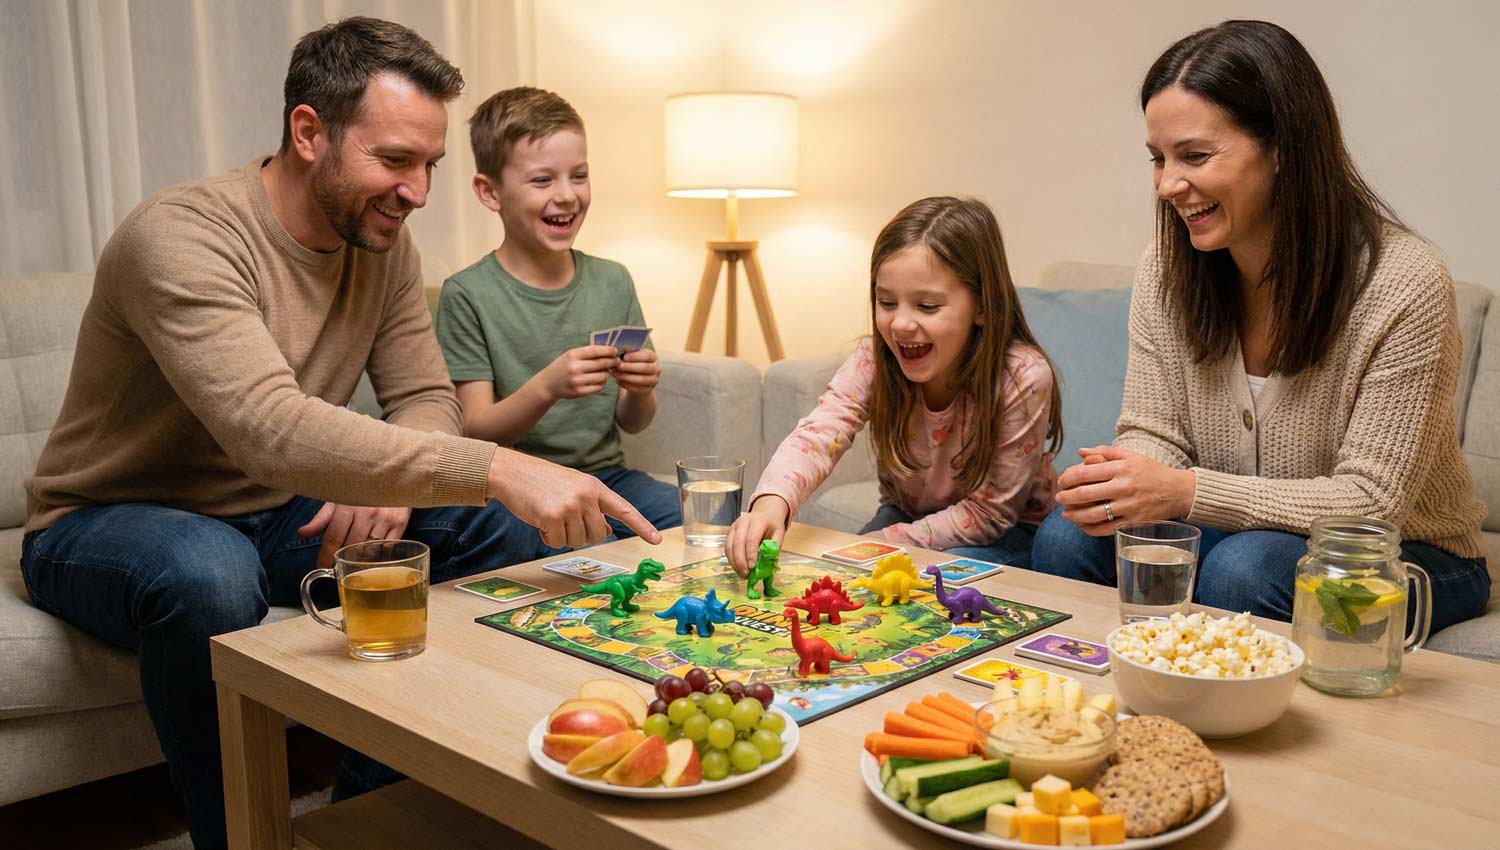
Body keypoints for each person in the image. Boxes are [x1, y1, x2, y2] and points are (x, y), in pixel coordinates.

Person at [19, 19, 658, 850]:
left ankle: (364, 812)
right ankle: (240, 835)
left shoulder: (380, 239)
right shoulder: (180, 236)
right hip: (106, 518)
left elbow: (424, 394)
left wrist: (386, 482)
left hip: (279, 507)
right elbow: (268, 427)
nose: (418, 191)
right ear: (309, 132)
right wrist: (492, 464)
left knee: (495, 527)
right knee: (210, 574)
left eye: (428, 165)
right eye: (395, 161)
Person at [1031, 20, 1489, 632]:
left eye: (1194, 156)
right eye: (1158, 159)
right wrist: (1121, 482)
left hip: (1406, 552)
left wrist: (1183, 493)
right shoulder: (1167, 268)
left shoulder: (1404, 282)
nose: (1168, 185)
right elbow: (1151, 430)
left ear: (1282, 149)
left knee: (1243, 571)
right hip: (1242, 532)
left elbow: (1371, 504)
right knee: (1066, 538)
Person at [724, 196, 1062, 575]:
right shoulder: (873, 360)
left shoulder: (1022, 376)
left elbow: (990, 513)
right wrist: (772, 500)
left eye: (927, 306)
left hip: (1007, 535)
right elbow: (820, 433)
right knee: (836, 581)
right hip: (905, 515)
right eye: (886, 302)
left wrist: (881, 543)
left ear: (982, 306)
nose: (900, 323)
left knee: (926, 593)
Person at [435, 86, 681, 540]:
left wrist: (642, 390)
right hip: (519, 487)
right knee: (526, 546)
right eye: (543, 180)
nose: (567, 195)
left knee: (697, 521)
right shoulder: (467, 293)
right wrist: (547, 387)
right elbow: (474, 431)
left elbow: (632, 420)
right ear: (490, 192)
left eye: (579, 176)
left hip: (606, 479)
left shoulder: (613, 280)